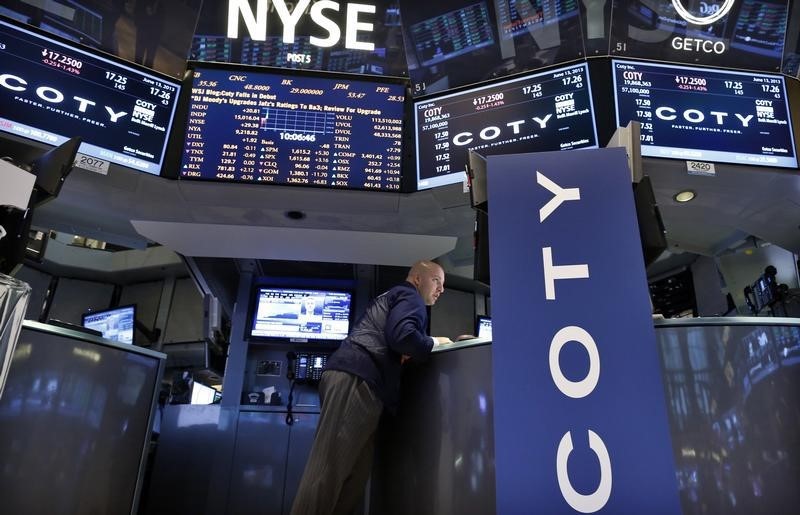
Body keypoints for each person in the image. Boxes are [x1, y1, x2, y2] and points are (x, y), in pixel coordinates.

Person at [290, 260, 451, 515]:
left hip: (359, 380)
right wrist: (434, 342)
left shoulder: (395, 296)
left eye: (443, 285)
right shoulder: (411, 297)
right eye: (436, 281)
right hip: (357, 378)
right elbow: (403, 336)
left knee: (353, 477)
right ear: (418, 279)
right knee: (328, 471)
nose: (441, 289)